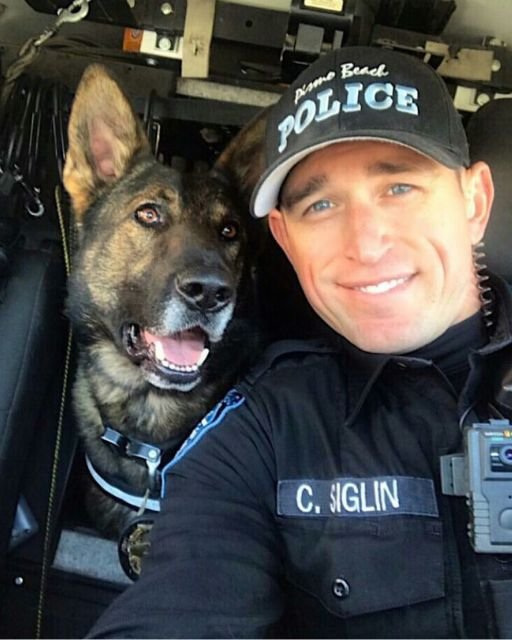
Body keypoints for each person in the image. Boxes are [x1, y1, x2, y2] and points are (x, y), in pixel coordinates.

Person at [88, 45, 512, 639]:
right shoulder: (260, 428)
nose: (366, 243)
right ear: (284, 239)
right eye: (322, 203)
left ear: (475, 202)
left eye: (399, 188)